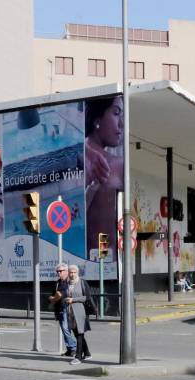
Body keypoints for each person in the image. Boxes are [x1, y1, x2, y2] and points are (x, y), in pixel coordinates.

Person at [85, 95, 124, 261]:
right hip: (107, 262)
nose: (121, 124)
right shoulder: (116, 164)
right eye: (116, 113)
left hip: (85, 260)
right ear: (97, 119)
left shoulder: (81, 152)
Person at [48, 263, 76, 357]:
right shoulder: (57, 283)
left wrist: (54, 298)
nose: (58, 273)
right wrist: (53, 298)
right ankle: (69, 349)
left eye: (60, 271)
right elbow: (52, 295)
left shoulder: (69, 282)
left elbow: (60, 294)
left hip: (67, 308)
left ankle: (74, 348)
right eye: (57, 271)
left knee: (66, 328)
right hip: (59, 308)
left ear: (66, 271)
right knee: (64, 329)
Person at [66, 264, 91, 365]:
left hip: (80, 312)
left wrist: (73, 300)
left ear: (78, 273)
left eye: (74, 272)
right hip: (70, 312)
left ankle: (78, 357)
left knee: (80, 334)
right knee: (77, 334)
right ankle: (88, 353)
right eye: (70, 272)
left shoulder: (82, 282)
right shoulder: (67, 283)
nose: (72, 274)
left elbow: (87, 297)